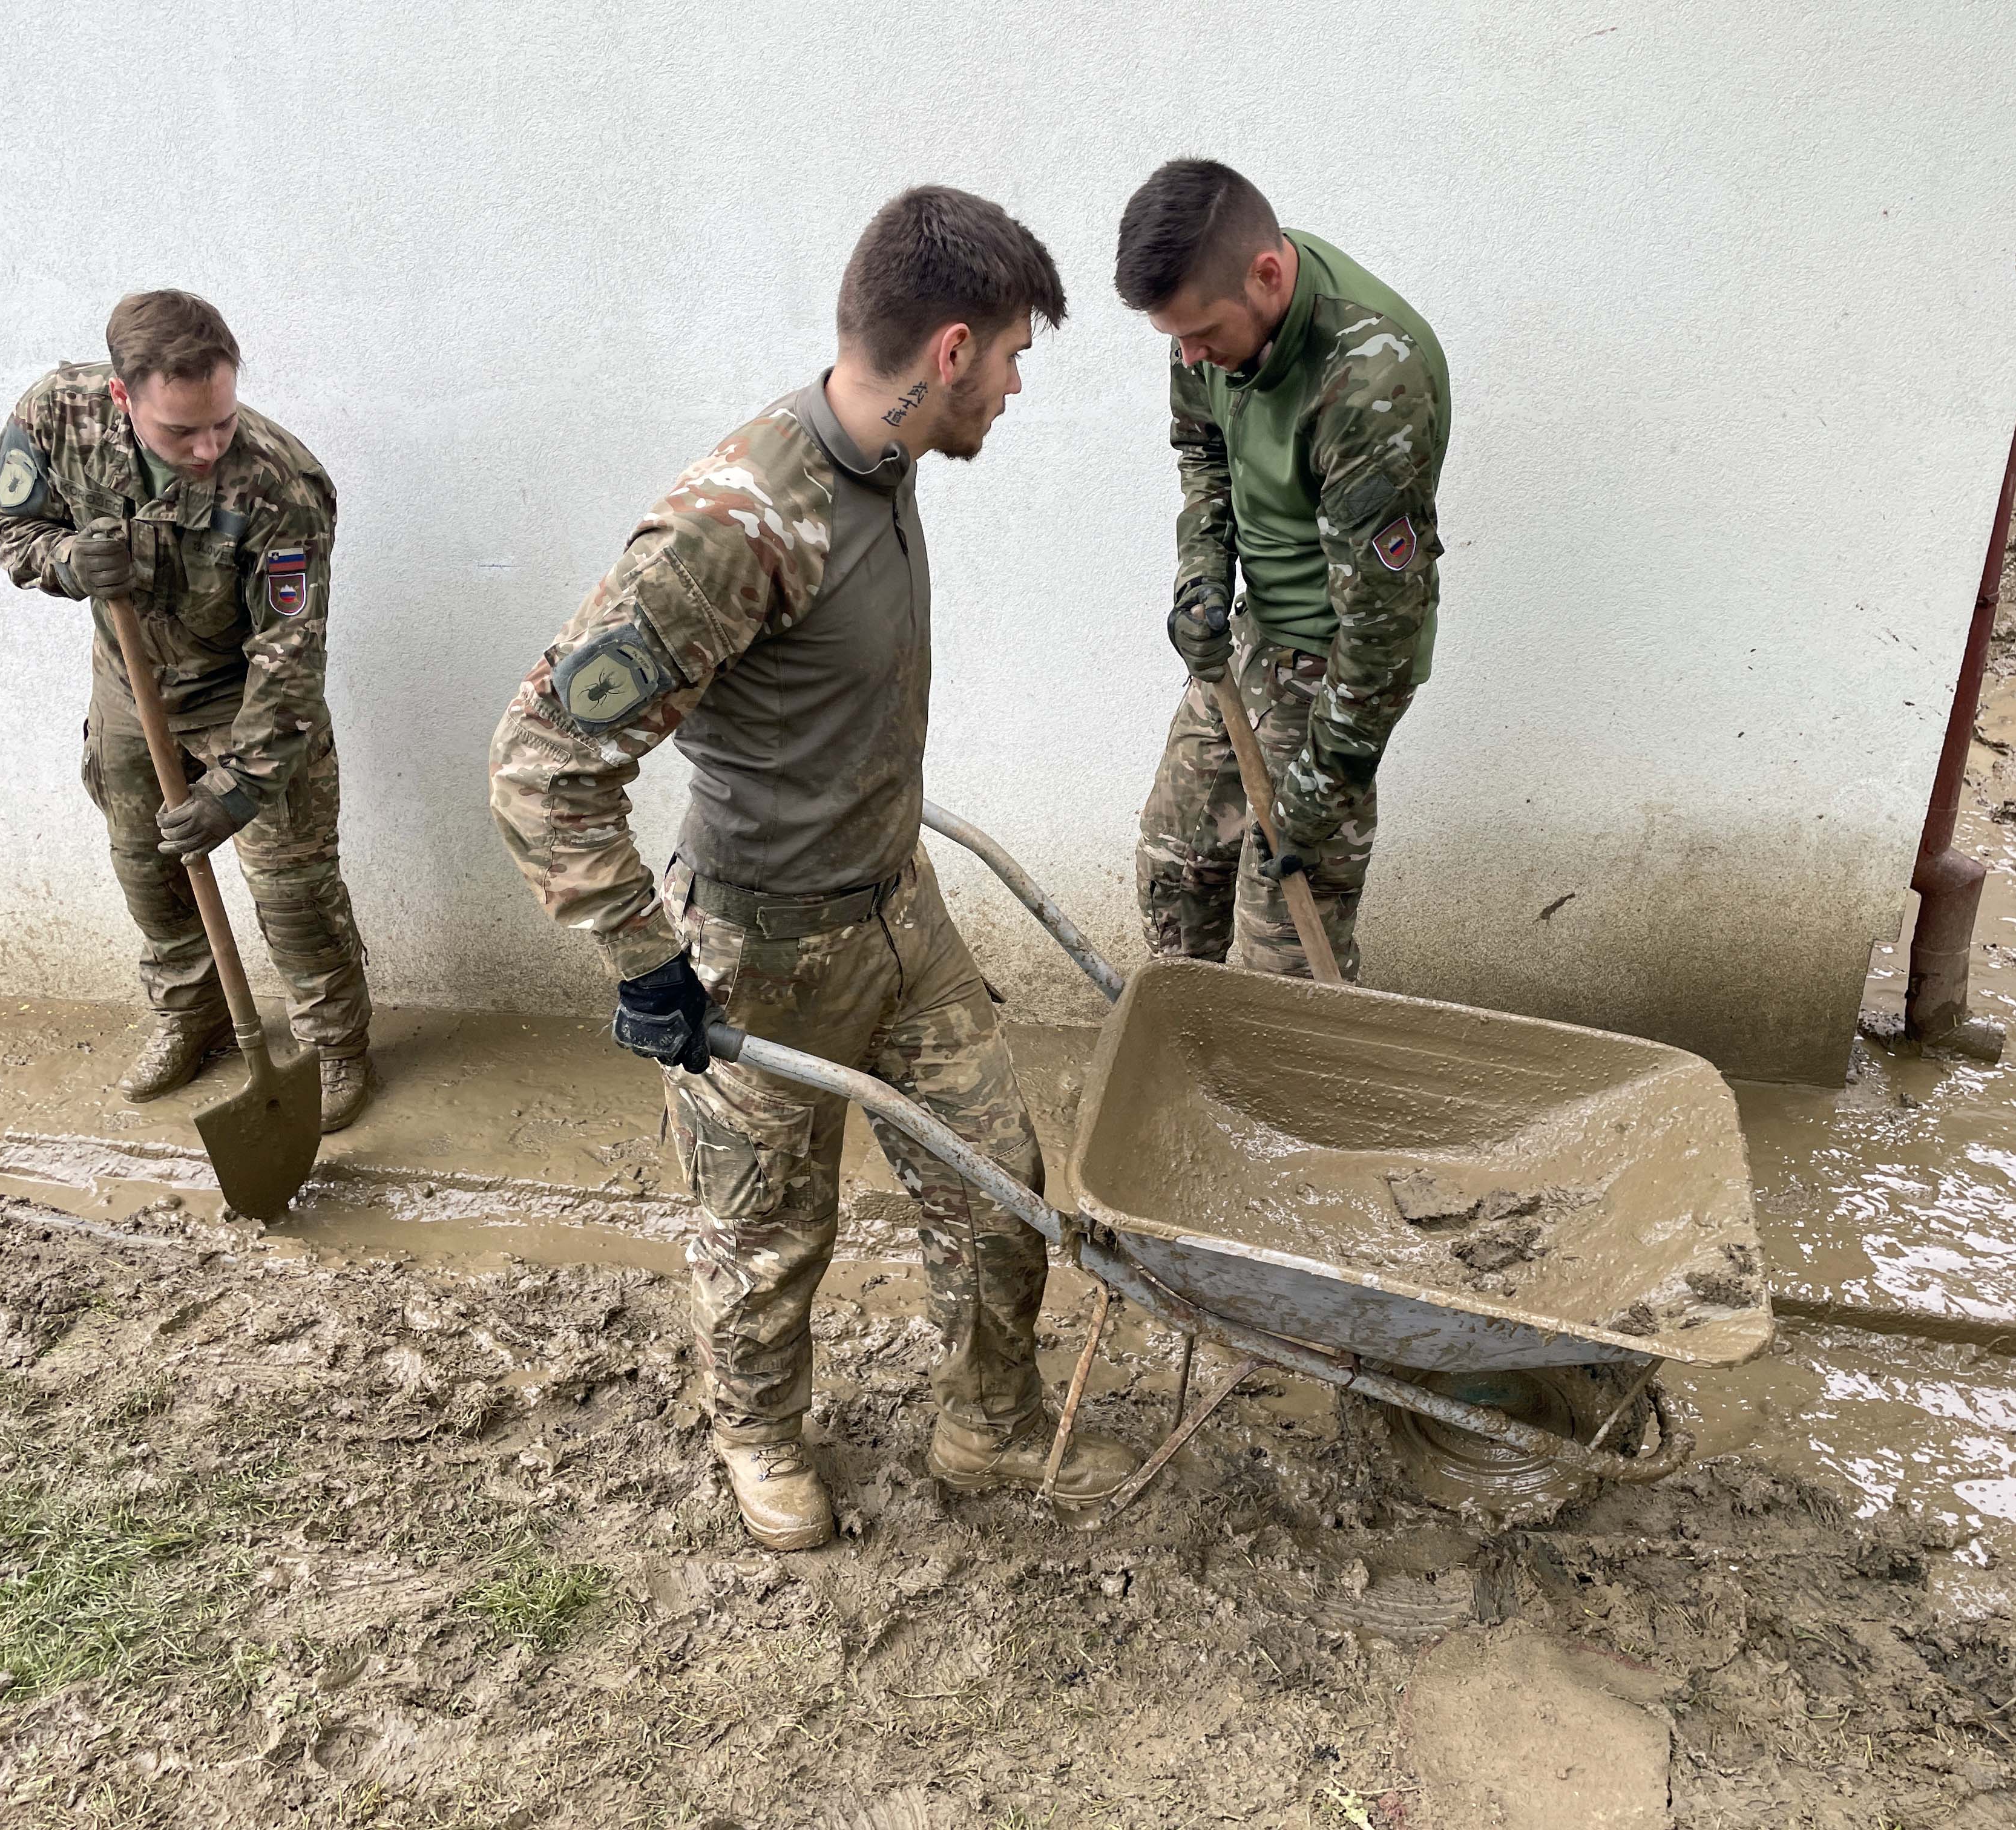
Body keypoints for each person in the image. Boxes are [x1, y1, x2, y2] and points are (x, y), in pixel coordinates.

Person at [488, 188, 1136, 1552]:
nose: (1018, 388)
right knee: (767, 1241)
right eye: (1015, 356)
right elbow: (545, 754)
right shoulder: (743, 518)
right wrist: (644, 959)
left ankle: (989, 1419)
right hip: (760, 951)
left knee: (1001, 1183)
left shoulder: (888, 468)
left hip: (903, 914)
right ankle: (760, 1433)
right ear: (949, 353)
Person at [0, 292, 375, 1131]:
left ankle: (335, 1046)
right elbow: (8, 523)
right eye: (179, 432)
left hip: (246, 701)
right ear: (123, 398)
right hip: (133, 692)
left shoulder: (281, 488)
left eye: (221, 422)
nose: (207, 449)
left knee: (293, 890)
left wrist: (237, 791)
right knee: (147, 869)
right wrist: (65, 560)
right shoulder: (57, 415)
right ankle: (192, 1018)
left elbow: (290, 664)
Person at [1117, 159, 1451, 979]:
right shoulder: (1203, 333)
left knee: (1287, 942)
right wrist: (1202, 578)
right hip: (1249, 644)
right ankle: (1192, 1073)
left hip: (1342, 667)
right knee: (1175, 870)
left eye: (1201, 334)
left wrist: (1323, 785)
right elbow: (1203, 453)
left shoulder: (1372, 378)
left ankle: (1294, 1099)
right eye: (1173, 339)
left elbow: (1380, 628)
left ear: (1267, 276)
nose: (1189, 358)